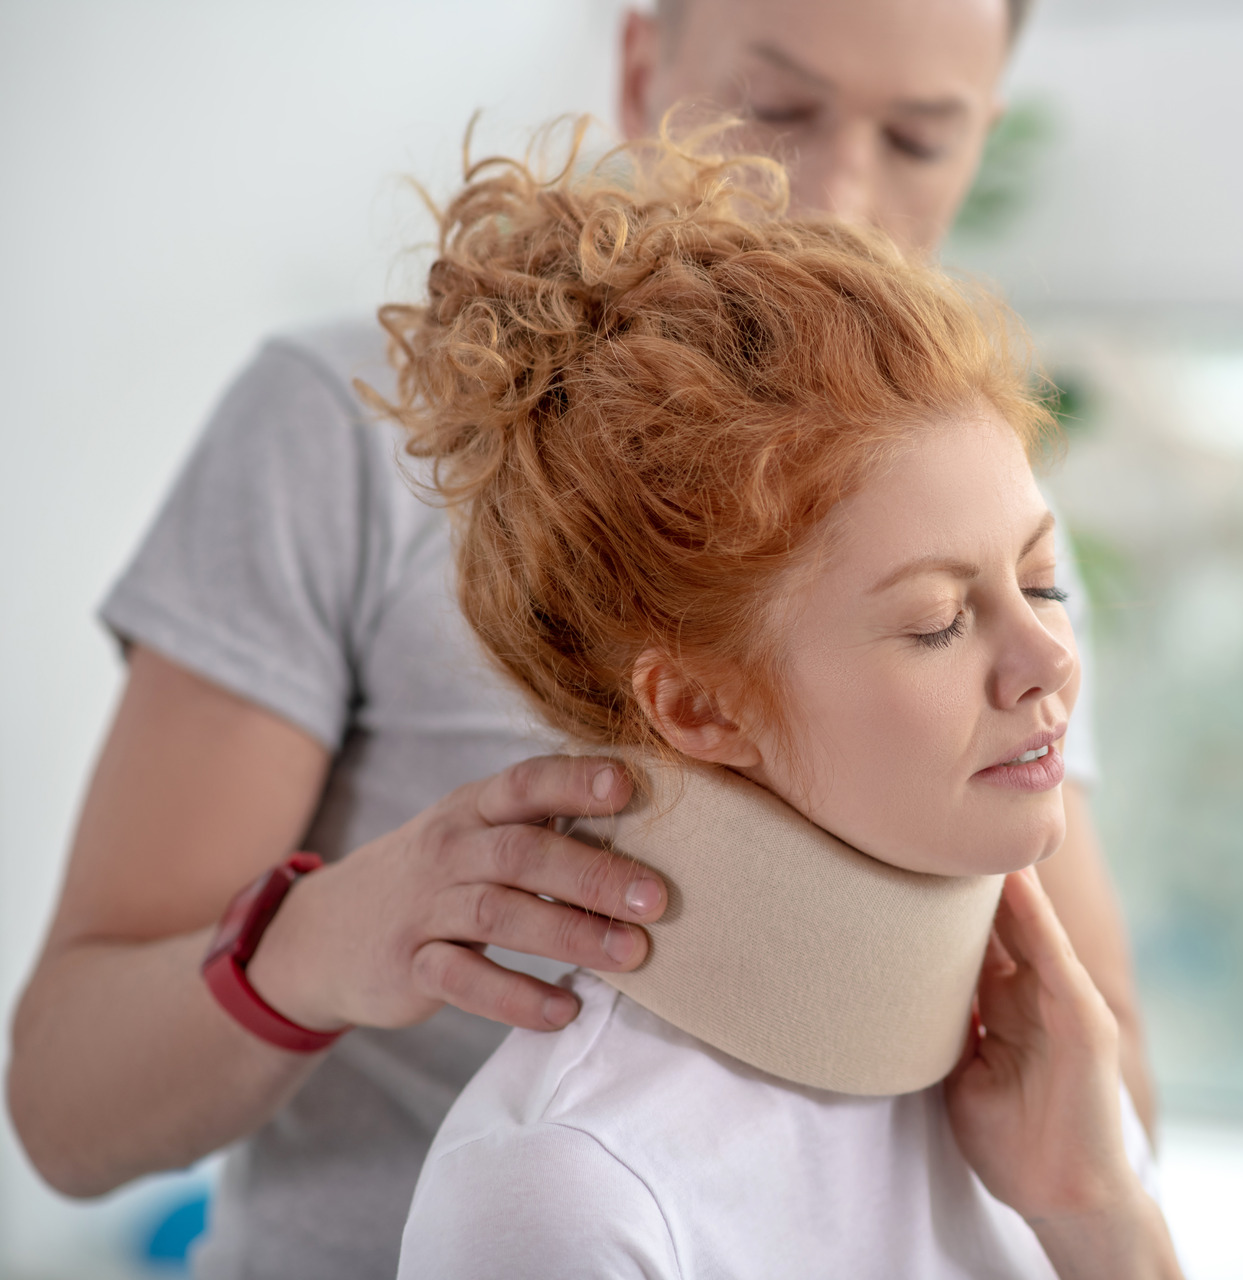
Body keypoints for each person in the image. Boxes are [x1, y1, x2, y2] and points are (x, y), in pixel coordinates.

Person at [6, 2, 1150, 1278]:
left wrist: (1106, 1218)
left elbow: (1087, 1083)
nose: (836, 191)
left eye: (922, 138)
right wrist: (329, 938)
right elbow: (62, 1108)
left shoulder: (976, 522)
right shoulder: (336, 440)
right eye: (776, 110)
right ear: (641, 64)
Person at [388, 131, 1179, 1277]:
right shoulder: (565, 1197)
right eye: (938, 621)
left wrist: (1101, 1213)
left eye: (1043, 580)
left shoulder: (1059, 1104)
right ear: (702, 710)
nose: (1047, 661)